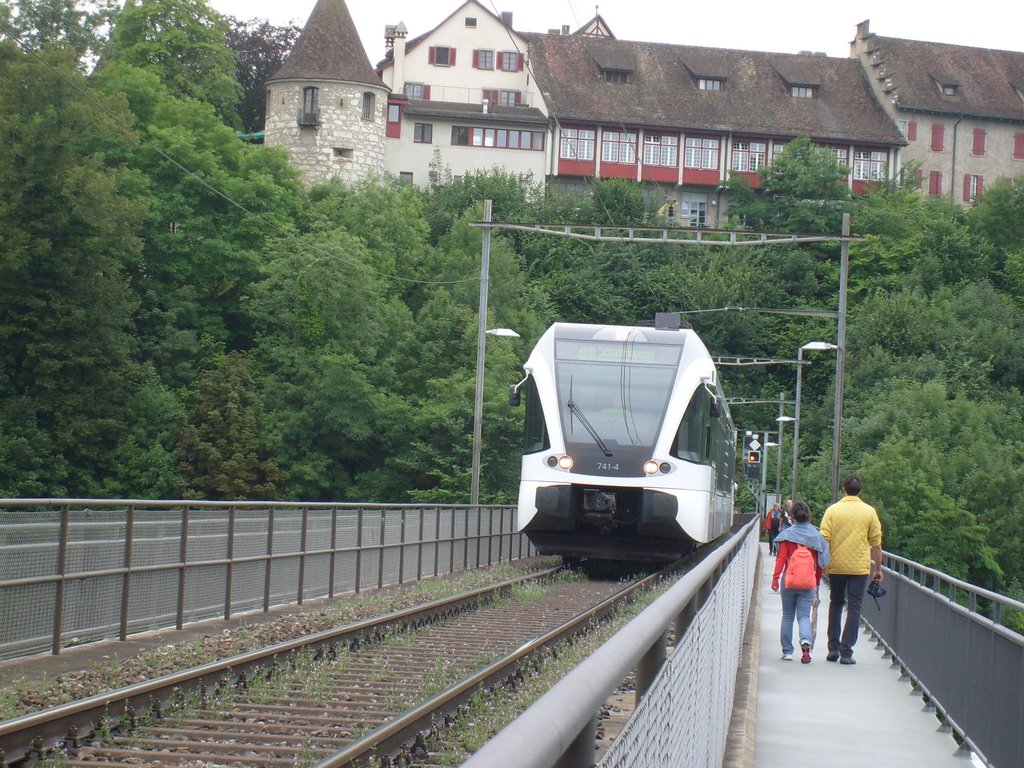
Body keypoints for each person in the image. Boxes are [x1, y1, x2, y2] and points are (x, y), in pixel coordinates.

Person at [819, 474, 884, 665]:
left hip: (836, 566)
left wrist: (822, 564)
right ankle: (847, 652)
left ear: (844, 490)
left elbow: (824, 540)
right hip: (859, 568)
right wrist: (878, 569)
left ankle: (833, 648)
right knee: (855, 607)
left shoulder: (832, 510)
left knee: (836, 603)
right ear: (860, 491)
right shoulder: (869, 512)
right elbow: (876, 545)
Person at [771, 500, 830, 663]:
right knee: (804, 615)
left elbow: (781, 559)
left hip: (789, 581)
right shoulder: (816, 536)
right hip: (808, 582)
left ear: (792, 517)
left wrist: (775, 579)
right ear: (808, 516)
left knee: (787, 615)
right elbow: (820, 563)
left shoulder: (787, 535)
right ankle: (806, 643)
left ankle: (788, 651)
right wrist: (816, 581)